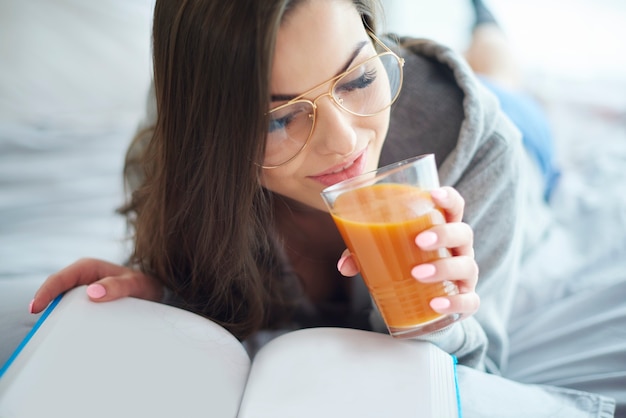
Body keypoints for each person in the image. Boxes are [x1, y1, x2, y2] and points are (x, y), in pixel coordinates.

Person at [29, 0, 624, 416]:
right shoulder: (176, 161)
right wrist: (161, 290)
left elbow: (478, 376)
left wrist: (441, 317)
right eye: (279, 118)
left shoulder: (481, 148)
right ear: (210, 134)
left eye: (357, 77)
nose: (343, 142)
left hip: (509, 120)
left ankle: (486, 23)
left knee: (506, 79)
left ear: (374, 40)